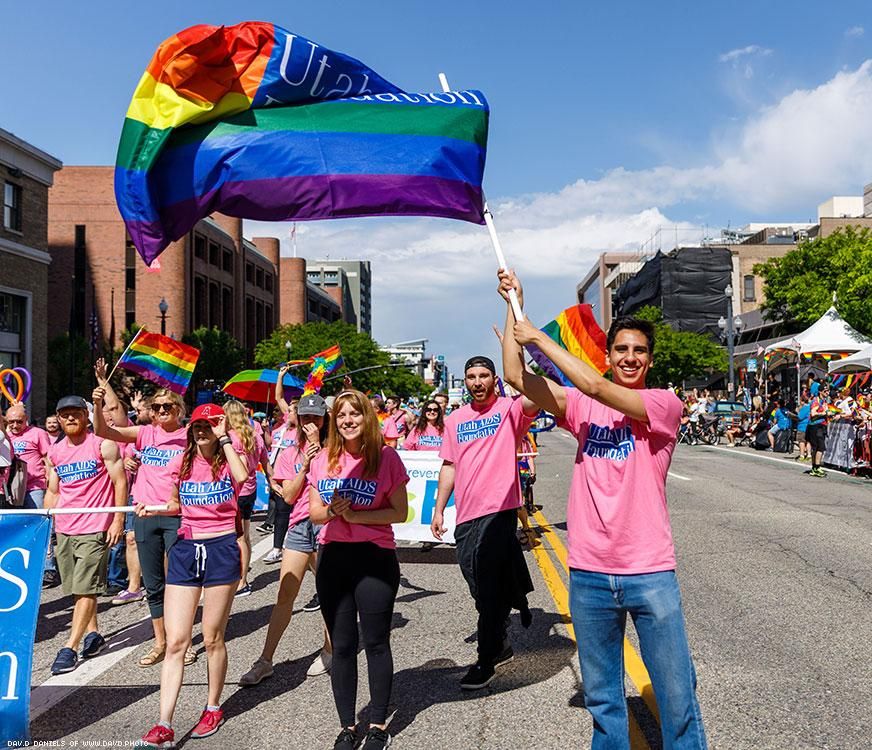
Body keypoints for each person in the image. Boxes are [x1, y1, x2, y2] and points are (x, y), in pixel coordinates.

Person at [497, 269, 708, 750]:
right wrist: (513, 308)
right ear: (609, 356)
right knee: (604, 702)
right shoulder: (580, 408)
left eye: (639, 351)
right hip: (590, 573)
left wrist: (537, 339)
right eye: (622, 350)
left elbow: (592, 385)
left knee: (677, 698)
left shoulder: (662, 404)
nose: (630, 357)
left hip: (649, 571)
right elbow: (515, 376)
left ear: (649, 360)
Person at [136, 404, 249, 748]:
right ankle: (164, 723)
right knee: (176, 641)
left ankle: (213, 706)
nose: (201, 431)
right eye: (196, 426)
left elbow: (242, 478)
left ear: (217, 427)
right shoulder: (182, 461)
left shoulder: (230, 457)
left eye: (207, 426)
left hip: (220, 549)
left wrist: (224, 437)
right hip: (186, 551)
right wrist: (154, 508)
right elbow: (176, 504)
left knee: (213, 637)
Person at [307, 390, 409, 750]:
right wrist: (335, 511)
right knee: (344, 645)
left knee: (376, 641)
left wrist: (356, 515)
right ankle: (348, 727)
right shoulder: (324, 459)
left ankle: (379, 724)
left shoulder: (386, 457)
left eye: (355, 414)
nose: (348, 420)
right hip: (334, 557)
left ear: (368, 418)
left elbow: (400, 512)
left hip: (375, 556)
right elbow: (314, 514)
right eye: (341, 415)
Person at [431, 354, 537, 691]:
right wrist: (438, 509)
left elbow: (534, 396)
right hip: (466, 514)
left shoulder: (509, 410)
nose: (477, 381)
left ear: (494, 379)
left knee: (488, 583)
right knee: (475, 579)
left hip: (500, 511)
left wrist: (520, 359)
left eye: (484, 375)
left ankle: (486, 658)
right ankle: (501, 631)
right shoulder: (456, 419)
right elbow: (449, 465)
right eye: (471, 376)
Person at [92, 387, 193, 668]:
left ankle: (182, 642)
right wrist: (98, 404)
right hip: (145, 513)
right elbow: (104, 432)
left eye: (167, 407)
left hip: (176, 514)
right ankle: (161, 642)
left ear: (179, 410)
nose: (161, 411)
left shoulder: (188, 437)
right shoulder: (145, 433)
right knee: (153, 584)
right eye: (157, 407)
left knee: (180, 581)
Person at [240, 393, 333, 687]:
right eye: (305, 417)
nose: (309, 423)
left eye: (315, 417)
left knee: (330, 594)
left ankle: (330, 649)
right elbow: (288, 496)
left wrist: (321, 453)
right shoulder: (291, 451)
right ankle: (265, 660)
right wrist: (306, 465)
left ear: (324, 419)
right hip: (299, 527)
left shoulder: (337, 448)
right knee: (285, 594)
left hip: (329, 525)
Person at [45, 395, 127, 675]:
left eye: (75, 413)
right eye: (64, 414)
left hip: (95, 527)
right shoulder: (55, 452)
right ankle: (93, 634)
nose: (69, 418)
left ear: (86, 416)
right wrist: (47, 524)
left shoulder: (102, 445)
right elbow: (54, 491)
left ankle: (69, 647)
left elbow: (119, 481)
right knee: (77, 590)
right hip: (65, 528)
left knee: (86, 588)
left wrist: (118, 519)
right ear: (58, 418)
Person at [223, 399, 269, 597]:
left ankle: (240, 581)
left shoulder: (229, 438)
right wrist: (273, 482)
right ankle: (243, 579)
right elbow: (266, 461)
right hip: (250, 490)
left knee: (232, 537)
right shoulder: (255, 436)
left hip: (233, 491)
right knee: (245, 536)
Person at [806, 385, 830, 477]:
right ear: (820, 392)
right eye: (825, 391)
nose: (827, 393)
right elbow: (813, 413)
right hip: (816, 426)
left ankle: (814, 468)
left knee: (816, 447)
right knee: (820, 447)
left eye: (828, 391)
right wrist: (824, 413)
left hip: (820, 426)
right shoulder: (816, 401)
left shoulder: (824, 401)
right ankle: (817, 467)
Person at [794, 395, 811, 462]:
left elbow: (800, 417)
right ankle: (809, 455)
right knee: (808, 441)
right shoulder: (810, 406)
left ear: (802, 401)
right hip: (808, 426)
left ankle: (802, 455)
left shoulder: (805, 407)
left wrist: (797, 411)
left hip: (802, 426)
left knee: (802, 441)